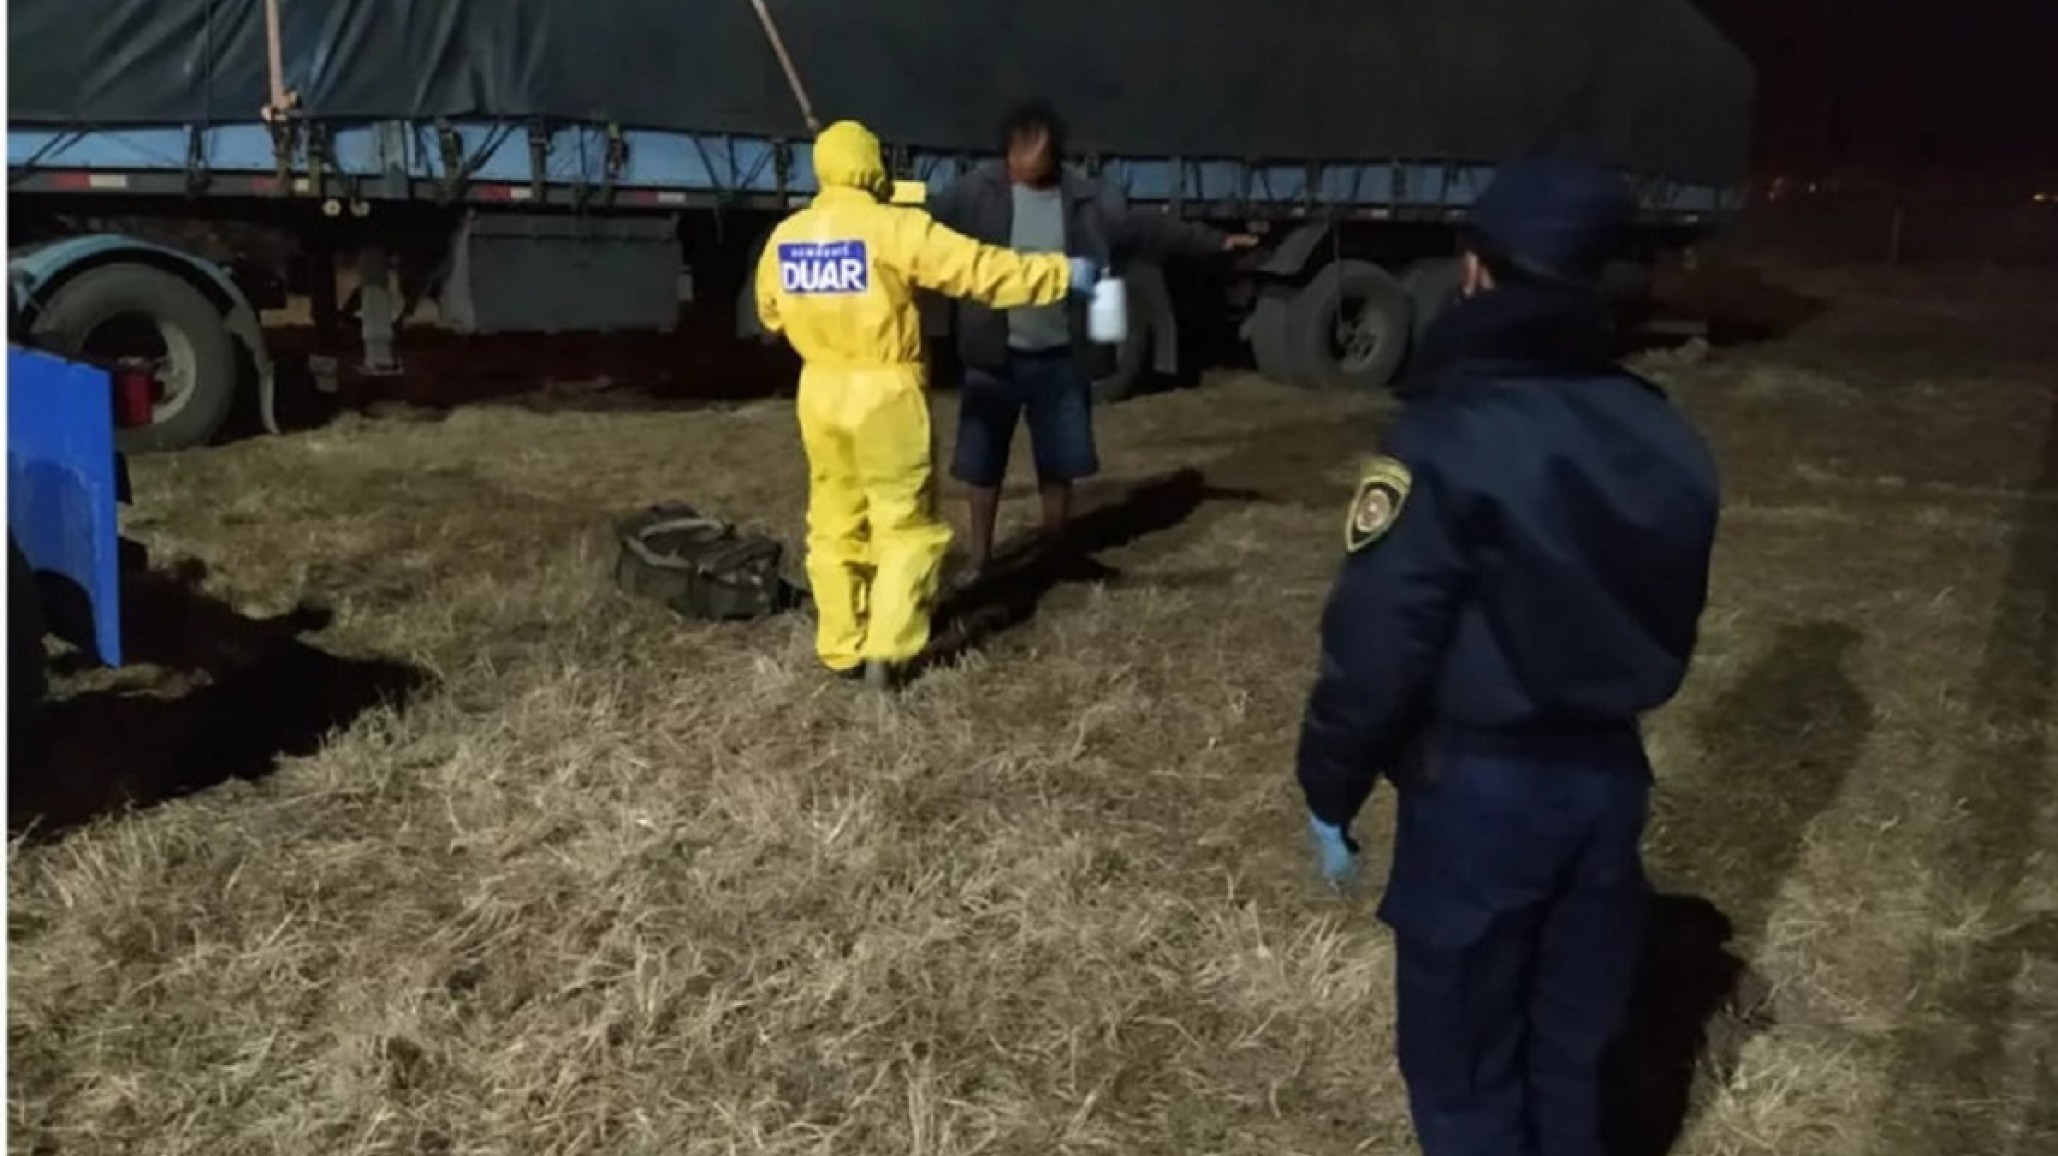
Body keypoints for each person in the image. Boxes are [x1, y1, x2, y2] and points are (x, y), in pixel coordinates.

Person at [1292, 157, 1721, 1156]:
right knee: (1573, 1061)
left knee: (1468, 1069)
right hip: (1610, 780)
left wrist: (1330, 779)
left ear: (1482, 273)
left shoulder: (1448, 432)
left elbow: (1379, 638)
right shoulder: (1667, 436)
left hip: (1480, 795)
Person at [754, 120, 1100, 690]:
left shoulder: (787, 235)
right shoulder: (892, 228)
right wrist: (1062, 274)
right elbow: (982, 271)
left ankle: (841, 644)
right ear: (873, 167)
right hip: (885, 392)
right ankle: (886, 655)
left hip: (820, 392)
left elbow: (770, 313)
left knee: (835, 519)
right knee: (903, 523)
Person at [929, 99, 1260, 579]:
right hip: (993, 355)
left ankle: (1057, 550)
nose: (1025, 159)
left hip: (1060, 355)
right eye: (1019, 149)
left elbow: (1147, 228)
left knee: (1059, 460)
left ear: (1053, 153)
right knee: (982, 461)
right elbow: (918, 230)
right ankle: (980, 557)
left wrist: (1214, 242)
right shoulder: (975, 193)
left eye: (1037, 150)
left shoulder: (1087, 200)